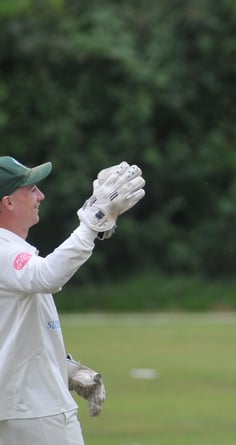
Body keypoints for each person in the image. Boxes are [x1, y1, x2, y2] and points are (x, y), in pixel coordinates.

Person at [0, 156, 145, 445]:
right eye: (30, 189)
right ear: (8, 203)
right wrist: (92, 224)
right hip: (34, 410)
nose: (40, 195)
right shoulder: (4, 251)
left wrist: (68, 369)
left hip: (21, 406)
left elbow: (15, 332)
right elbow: (48, 275)